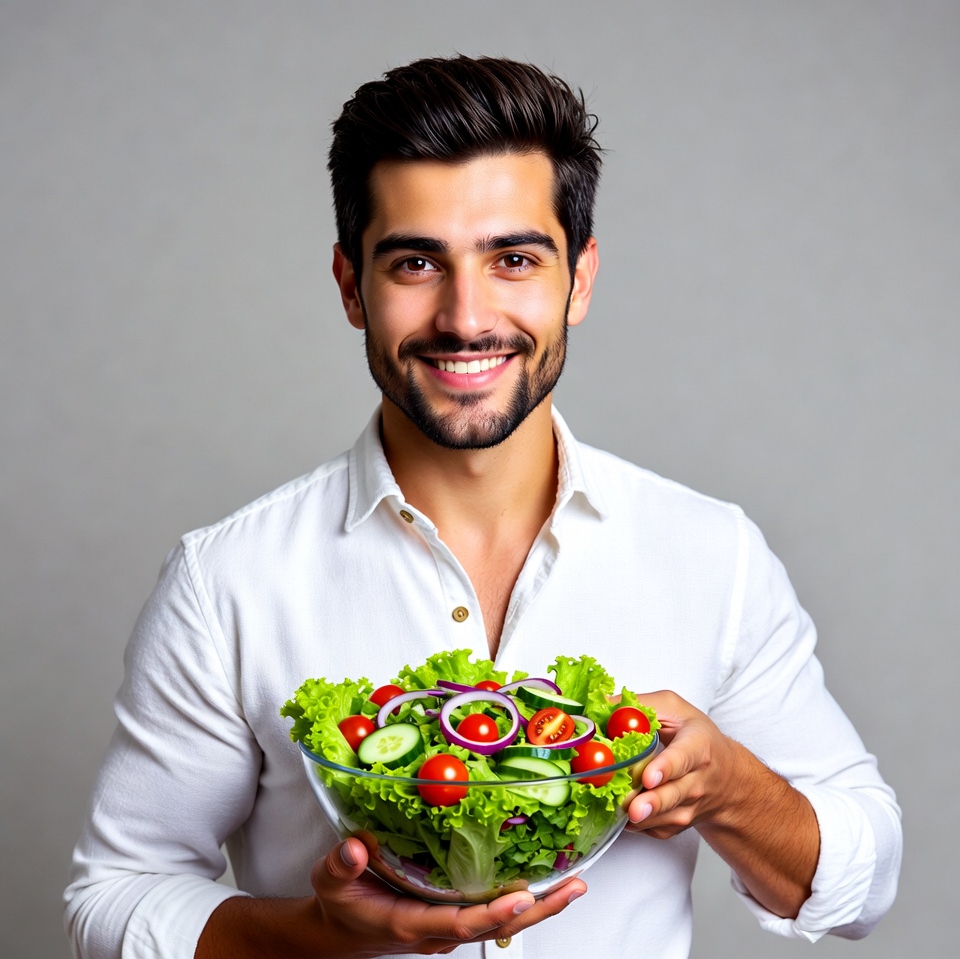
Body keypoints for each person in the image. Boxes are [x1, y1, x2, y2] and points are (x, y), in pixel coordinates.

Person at [65, 55, 902, 959]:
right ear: (352, 286)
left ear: (578, 279)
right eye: (417, 261)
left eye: (513, 259)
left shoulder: (712, 554)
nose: (466, 317)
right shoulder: (226, 579)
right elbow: (112, 897)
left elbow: (864, 884)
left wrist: (731, 789)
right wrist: (317, 936)